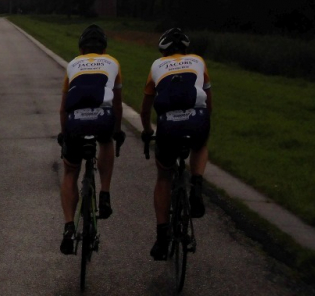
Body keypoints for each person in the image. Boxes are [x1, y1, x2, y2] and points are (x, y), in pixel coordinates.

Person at [140, 27, 213, 261]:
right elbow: (208, 103)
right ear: (185, 49)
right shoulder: (198, 61)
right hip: (196, 120)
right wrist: (202, 121)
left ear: (163, 52)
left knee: (163, 176)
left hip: (169, 126)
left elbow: (145, 109)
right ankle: (197, 184)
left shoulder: (156, 66)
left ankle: (162, 239)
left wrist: (147, 130)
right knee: (201, 145)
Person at [58, 24, 125, 255]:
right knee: (106, 141)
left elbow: (63, 108)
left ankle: (68, 227)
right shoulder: (112, 63)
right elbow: (116, 103)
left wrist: (64, 134)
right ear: (104, 50)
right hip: (102, 118)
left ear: (81, 48)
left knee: (69, 171)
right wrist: (117, 130)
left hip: (76, 121)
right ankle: (104, 194)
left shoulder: (73, 64)